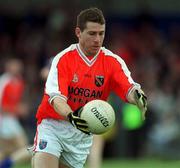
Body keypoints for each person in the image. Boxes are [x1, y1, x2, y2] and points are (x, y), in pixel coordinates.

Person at [31, 7, 147, 168]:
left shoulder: (112, 61)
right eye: (92, 33)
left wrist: (139, 97)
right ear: (78, 32)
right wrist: (72, 116)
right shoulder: (63, 59)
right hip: (54, 125)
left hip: (83, 133)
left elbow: (129, 88)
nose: (98, 39)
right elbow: (56, 99)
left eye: (101, 33)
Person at [0, 58, 28, 165]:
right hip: (4, 120)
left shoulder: (19, 82)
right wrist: (17, 110)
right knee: (24, 147)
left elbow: (14, 102)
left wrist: (19, 108)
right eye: (14, 65)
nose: (17, 68)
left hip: (12, 119)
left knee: (5, 151)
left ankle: (5, 164)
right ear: (8, 67)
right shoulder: (3, 81)